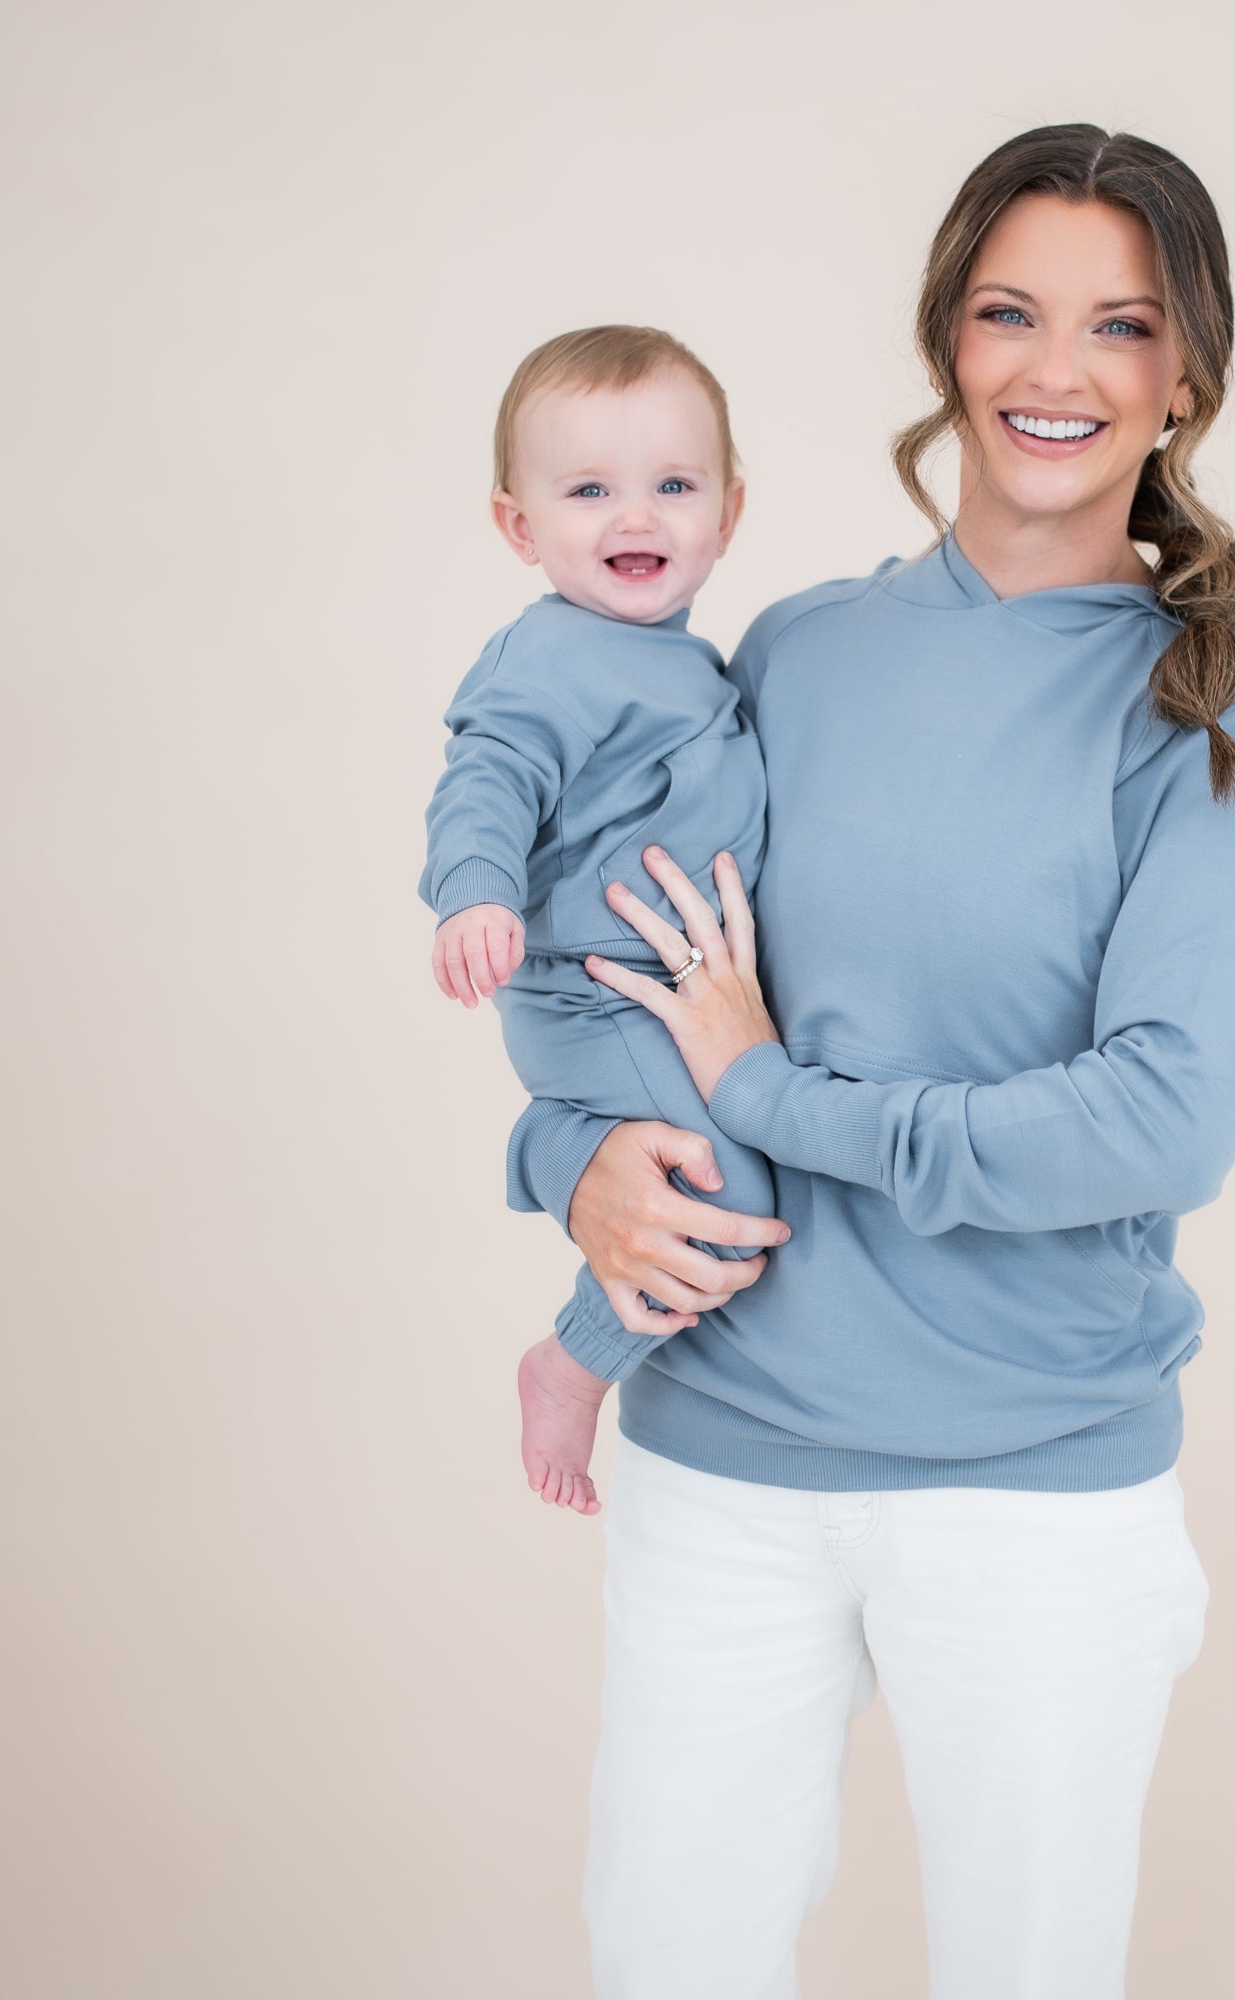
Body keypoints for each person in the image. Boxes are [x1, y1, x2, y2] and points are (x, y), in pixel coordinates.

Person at [507, 125, 1235, 1999]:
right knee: (665, 1959)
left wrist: (781, 1099)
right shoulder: (787, 652)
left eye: (1120, 326)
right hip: (721, 1456)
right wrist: (578, 1167)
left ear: (1182, 374)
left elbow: (1158, 1120)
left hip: (1033, 1489)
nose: (1058, 371)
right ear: (947, 339)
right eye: (1010, 313)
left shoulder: (1215, 695)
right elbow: (610, 973)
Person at [418, 325, 788, 1516]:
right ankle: (572, 1362)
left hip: (656, 994)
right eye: (588, 491)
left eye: (672, 486)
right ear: (518, 526)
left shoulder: (694, 661)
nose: (635, 516)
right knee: (723, 1194)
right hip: (597, 990)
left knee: (731, 1174)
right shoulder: (547, 656)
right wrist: (473, 889)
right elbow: (487, 776)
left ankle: (587, 1327)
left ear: (727, 513)